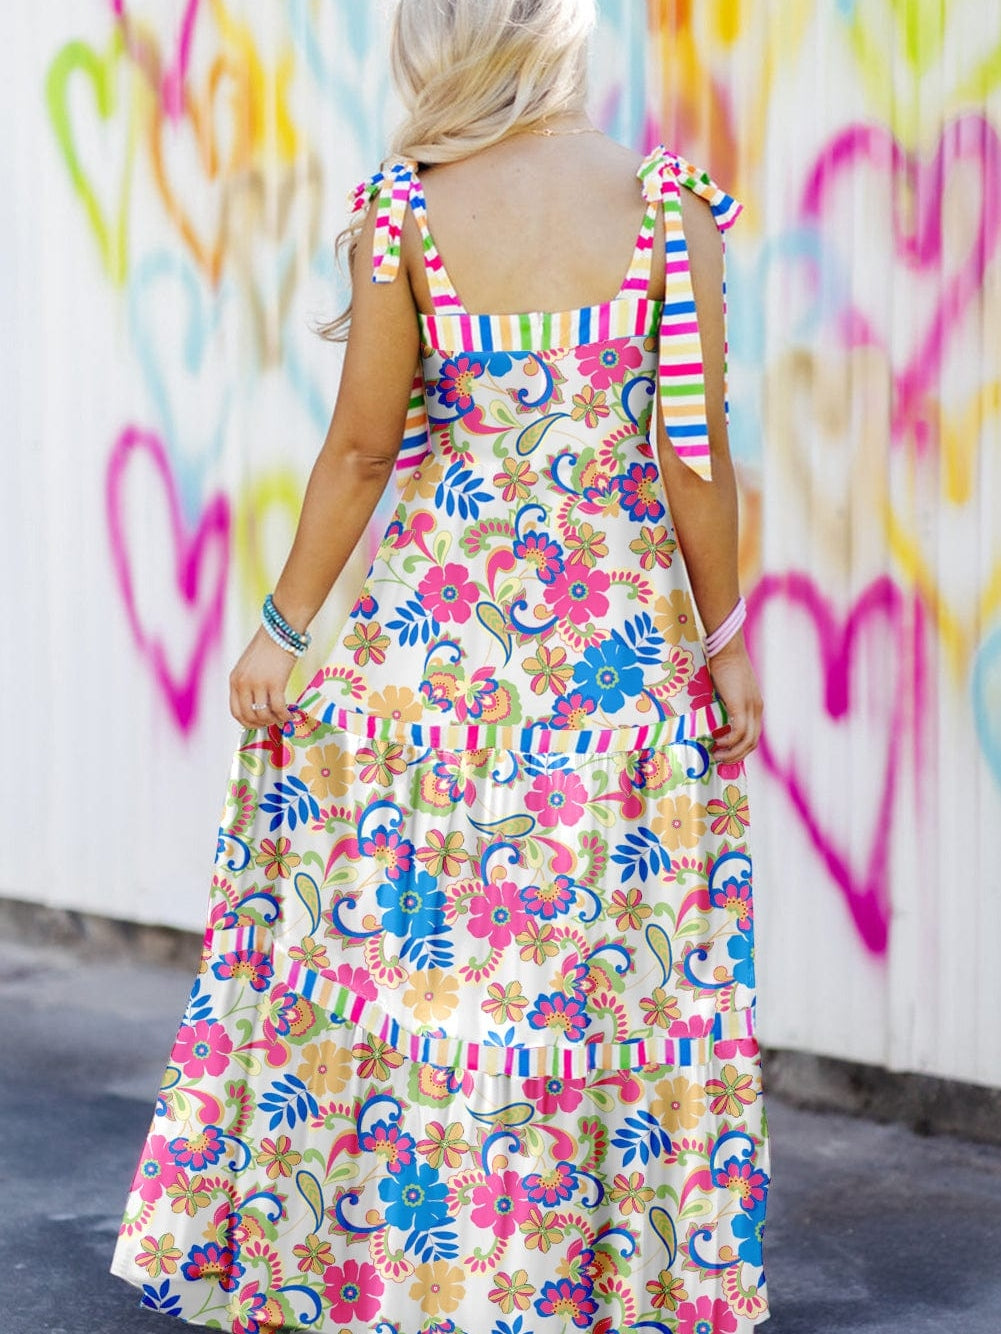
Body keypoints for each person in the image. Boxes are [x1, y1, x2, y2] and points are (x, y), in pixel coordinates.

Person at [112, 0, 769, 1330]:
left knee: (420, 970)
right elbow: (691, 463)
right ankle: (592, 1281)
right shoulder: (669, 212)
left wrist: (284, 632)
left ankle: (411, 1273)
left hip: (430, 671)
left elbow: (358, 454)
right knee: (594, 973)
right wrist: (725, 639)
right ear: (565, 37)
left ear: (438, 42)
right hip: (611, 673)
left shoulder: (404, 214)